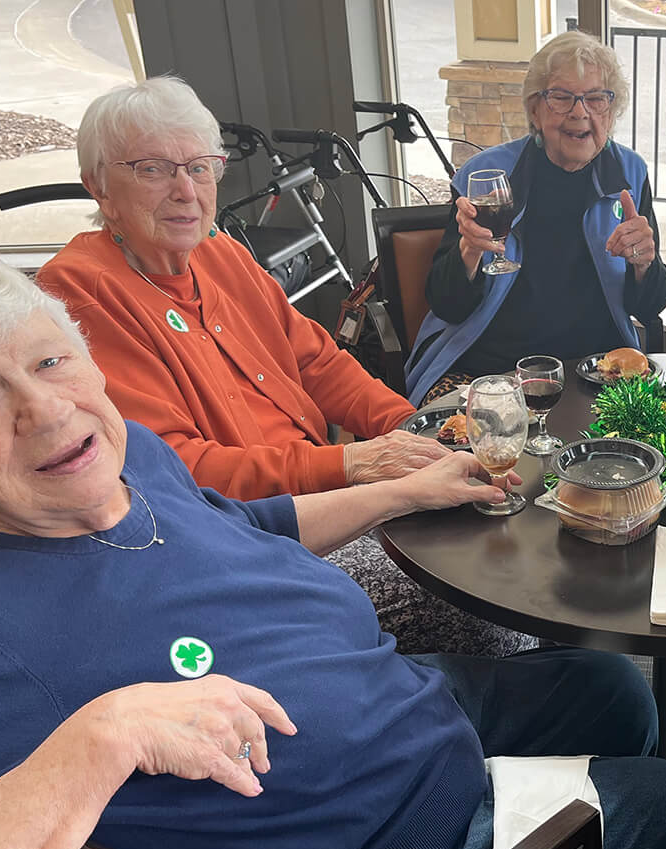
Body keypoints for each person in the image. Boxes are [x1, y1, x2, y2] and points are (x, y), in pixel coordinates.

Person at [0, 245, 666, 849]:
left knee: (612, 691)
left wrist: (403, 491)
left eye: (51, 360)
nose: (47, 412)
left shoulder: (125, 453)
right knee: (665, 802)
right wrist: (96, 741)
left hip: (406, 705)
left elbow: (243, 532)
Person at [36, 76, 530, 660]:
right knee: (480, 585)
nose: (184, 191)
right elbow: (178, 473)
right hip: (247, 545)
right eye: (152, 169)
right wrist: (349, 463)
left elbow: (317, 361)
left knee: (497, 531)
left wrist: (414, 427)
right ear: (99, 184)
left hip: (329, 495)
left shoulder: (218, 253)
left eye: (199, 167)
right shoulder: (80, 293)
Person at [404, 30, 666, 405]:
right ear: (535, 109)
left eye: (595, 98)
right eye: (561, 97)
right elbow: (447, 304)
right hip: (489, 368)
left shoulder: (629, 174)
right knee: (469, 455)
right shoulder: (487, 176)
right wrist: (468, 252)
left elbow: (649, 305)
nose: (580, 112)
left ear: (610, 112)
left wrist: (645, 263)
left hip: (595, 372)